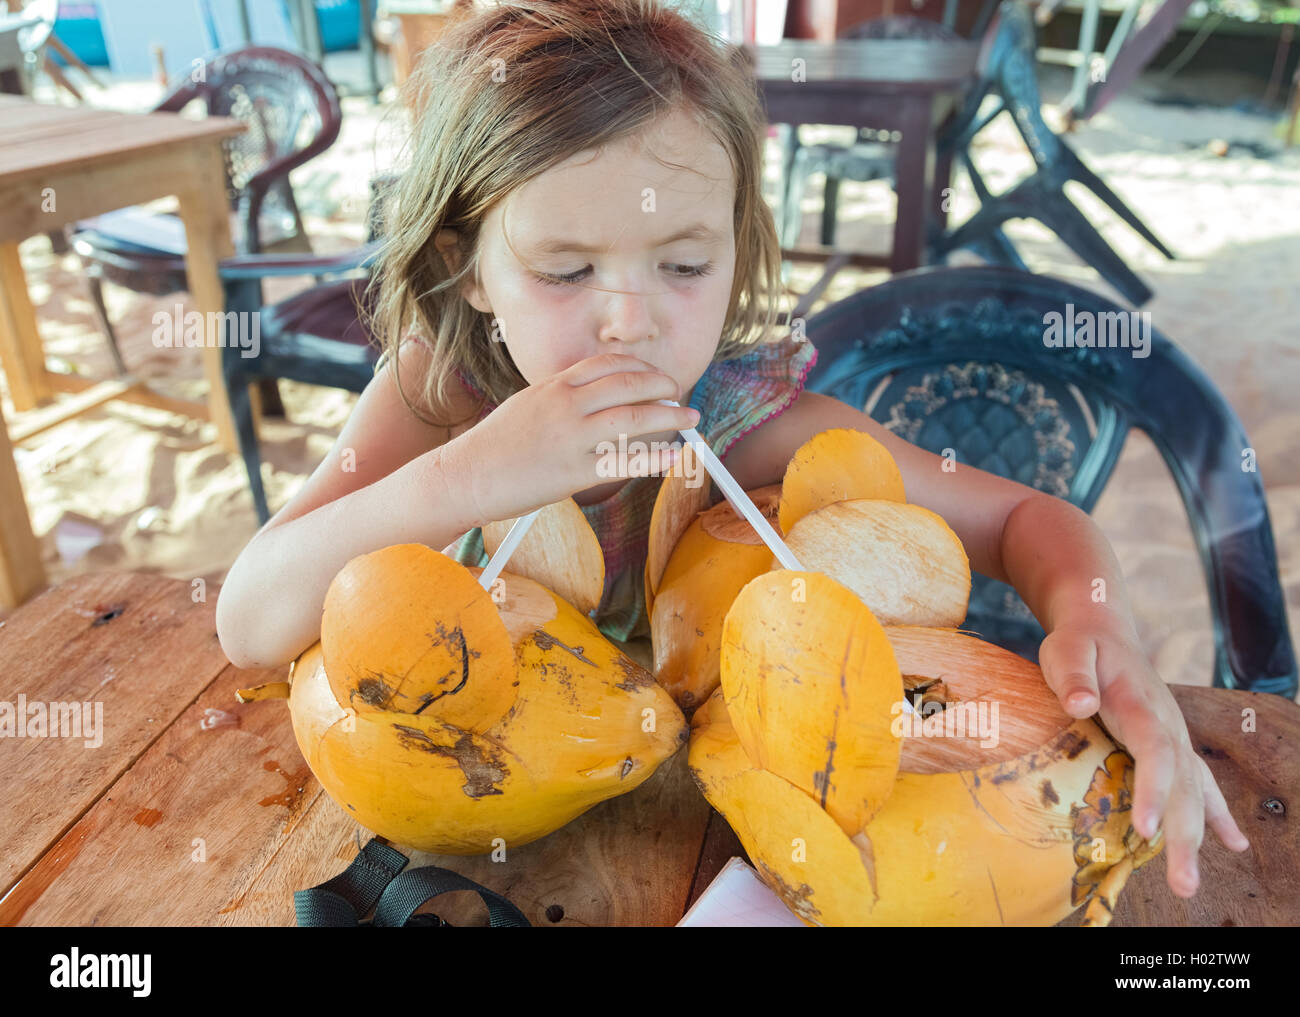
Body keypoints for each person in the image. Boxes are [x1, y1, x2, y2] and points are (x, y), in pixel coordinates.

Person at [216, 0, 1248, 904]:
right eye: (566, 269)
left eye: (684, 262)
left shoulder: (753, 429)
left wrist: (1093, 621)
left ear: (734, 247)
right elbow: (251, 617)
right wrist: (474, 474)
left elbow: (1030, 520)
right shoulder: (440, 392)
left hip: (730, 841)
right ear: (469, 268)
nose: (631, 321)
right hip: (489, 846)